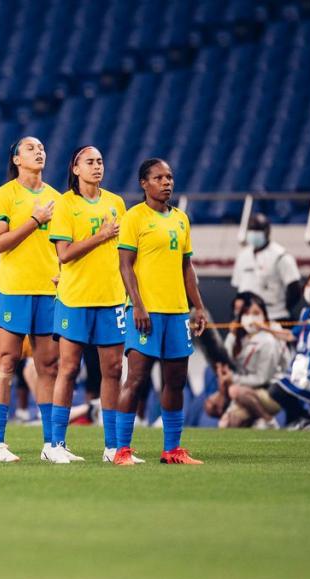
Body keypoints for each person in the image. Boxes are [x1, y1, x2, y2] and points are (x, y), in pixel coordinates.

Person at [46, 146, 139, 463]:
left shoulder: (116, 203)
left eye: (100, 161)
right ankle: (55, 445)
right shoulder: (65, 204)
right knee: (69, 369)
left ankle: (113, 447)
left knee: (112, 370)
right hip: (75, 297)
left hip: (111, 297)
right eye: (90, 162)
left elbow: (126, 252)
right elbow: (64, 254)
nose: (97, 166)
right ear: (75, 168)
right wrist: (99, 236)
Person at [115, 158, 208, 466]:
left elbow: (187, 267)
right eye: (159, 177)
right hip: (146, 312)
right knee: (137, 380)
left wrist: (198, 306)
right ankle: (122, 451)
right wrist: (138, 304)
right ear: (144, 183)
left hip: (177, 313)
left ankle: (172, 450)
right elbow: (125, 265)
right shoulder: (134, 218)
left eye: (169, 177)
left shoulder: (181, 219)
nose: (167, 182)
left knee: (175, 381)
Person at [0, 137, 60, 462]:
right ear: (16, 159)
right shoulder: (4, 195)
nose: (39, 151)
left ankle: (52, 445)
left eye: (42, 147)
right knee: (6, 362)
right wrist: (34, 221)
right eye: (30, 148)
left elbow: (63, 247)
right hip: (13, 288)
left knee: (48, 366)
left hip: (49, 290)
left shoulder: (57, 198)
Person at [203, 294, 285, 428]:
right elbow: (227, 358)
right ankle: (256, 420)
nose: (251, 318)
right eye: (246, 313)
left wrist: (233, 379)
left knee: (234, 391)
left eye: (256, 313)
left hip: (269, 393)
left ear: (264, 315)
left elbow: (262, 379)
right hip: (246, 392)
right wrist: (232, 334)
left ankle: (268, 420)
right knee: (225, 422)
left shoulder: (268, 340)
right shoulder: (242, 339)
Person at [269, 271, 310, 426]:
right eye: (309, 285)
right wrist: (265, 328)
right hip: (303, 371)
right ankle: (300, 417)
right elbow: (290, 336)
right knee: (277, 390)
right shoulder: (305, 314)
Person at [231, 213, 303, 322]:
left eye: (258, 230)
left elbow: (295, 289)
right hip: (248, 317)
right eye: (251, 230)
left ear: (267, 232)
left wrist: (282, 308)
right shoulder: (242, 255)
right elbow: (239, 288)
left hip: (275, 315)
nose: (254, 233)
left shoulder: (280, 256)